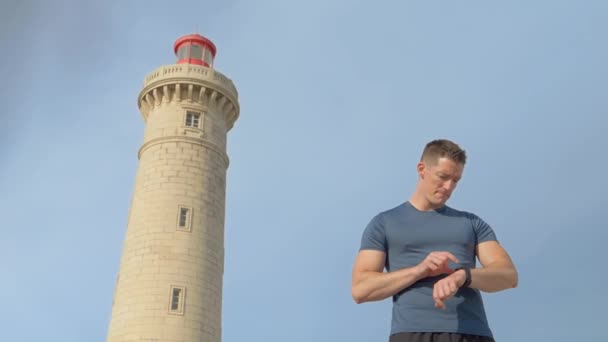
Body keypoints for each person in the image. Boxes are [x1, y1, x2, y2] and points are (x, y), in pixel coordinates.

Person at [351, 139, 518, 342]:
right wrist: (419, 270)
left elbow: (508, 276)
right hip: (412, 334)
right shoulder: (384, 223)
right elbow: (361, 289)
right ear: (422, 169)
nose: (448, 187)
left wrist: (461, 276)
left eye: (455, 180)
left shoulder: (472, 223)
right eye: (443, 177)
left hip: (473, 333)